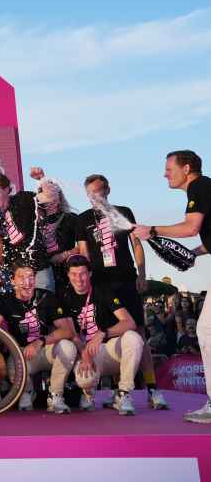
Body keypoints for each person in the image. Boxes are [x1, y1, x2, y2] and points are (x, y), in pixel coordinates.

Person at [76, 174, 167, 410]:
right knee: (111, 335)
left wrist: (142, 274)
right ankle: (117, 391)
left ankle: (152, 389)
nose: (94, 196)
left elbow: (136, 243)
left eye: (98, 191)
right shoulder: (83, 219)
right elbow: (84, 254)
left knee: (138, 333)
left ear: (107, 190)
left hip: (125, 279)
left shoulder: (123, 212)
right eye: (90, 193)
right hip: (101, 284)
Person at [132, 150, 210, 423]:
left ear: (186, 169)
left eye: (169, 168)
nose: (165, 174)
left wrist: (152, 230)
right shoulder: (205, 187)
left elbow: (191, 227)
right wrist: (195, 253)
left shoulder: (198, 186)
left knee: (206, 329)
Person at [58, 255, 144, 415]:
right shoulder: (64, 296)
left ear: (90, 273)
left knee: (134, 338)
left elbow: (129, 322)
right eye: (74, 274)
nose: (79, 279)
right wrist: (84, 353)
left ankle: (123, 393)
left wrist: (103, 333)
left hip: (106, 350)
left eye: (83, 273)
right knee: (85, 379)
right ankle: (88, 393)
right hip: (84, 353)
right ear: (68, 275)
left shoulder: (102, 290)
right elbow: (70, 334)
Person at [0, 262, 76, 413]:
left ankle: (55, 394)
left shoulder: (46, 297)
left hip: (45, 349)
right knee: (14, 369)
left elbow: (67, 331)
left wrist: (40, 342)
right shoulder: (4, 299)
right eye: (21, 277)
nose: (27, 282)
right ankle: (27, 392)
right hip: (20, 354)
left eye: (30, 277)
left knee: (68, 347)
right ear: (12, 280)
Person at [0, 173, 53, 291]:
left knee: (46, 300)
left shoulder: (22, 199)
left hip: (39, 267)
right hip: (15, 274)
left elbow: (48, 198)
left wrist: (41, 179)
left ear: (7, 190)